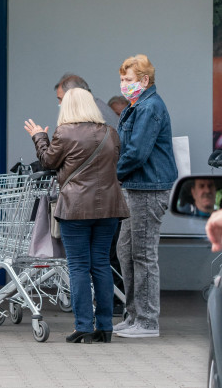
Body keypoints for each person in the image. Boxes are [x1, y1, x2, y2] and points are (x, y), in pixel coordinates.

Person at [25, 88, 129, 344]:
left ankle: (83, 325)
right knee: (102, 265)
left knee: (79, 267)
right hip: (109, 208)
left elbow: (48, 161)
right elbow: (115, 164)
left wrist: (39, 136)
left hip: (76, 209)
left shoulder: (65, 133)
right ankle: (105, 327)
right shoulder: (110, 133)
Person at [114, 54, 177, 339]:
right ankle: (134, 315)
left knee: (142, 254)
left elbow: (137, 152)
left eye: (128, 79)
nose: (123, 84)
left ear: (144, 80)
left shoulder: (150, 107)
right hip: (137, 186)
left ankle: (148, 321)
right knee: (125, 251)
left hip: (148, 189)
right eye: (122, 79)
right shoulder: (137, 105)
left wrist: (112, 175)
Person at [54, 73, 119, 126]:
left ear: (74, 95)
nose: (60, 104)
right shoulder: (94, 106)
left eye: (62, 99)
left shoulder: (93, 113)